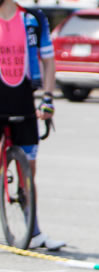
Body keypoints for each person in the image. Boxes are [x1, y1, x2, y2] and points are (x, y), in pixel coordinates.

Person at [0, 0, 64, 250]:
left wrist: (47, 98)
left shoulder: (33, 19)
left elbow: (49, 61)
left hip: (23, 100)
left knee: (30, 171)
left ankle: (33, 232)